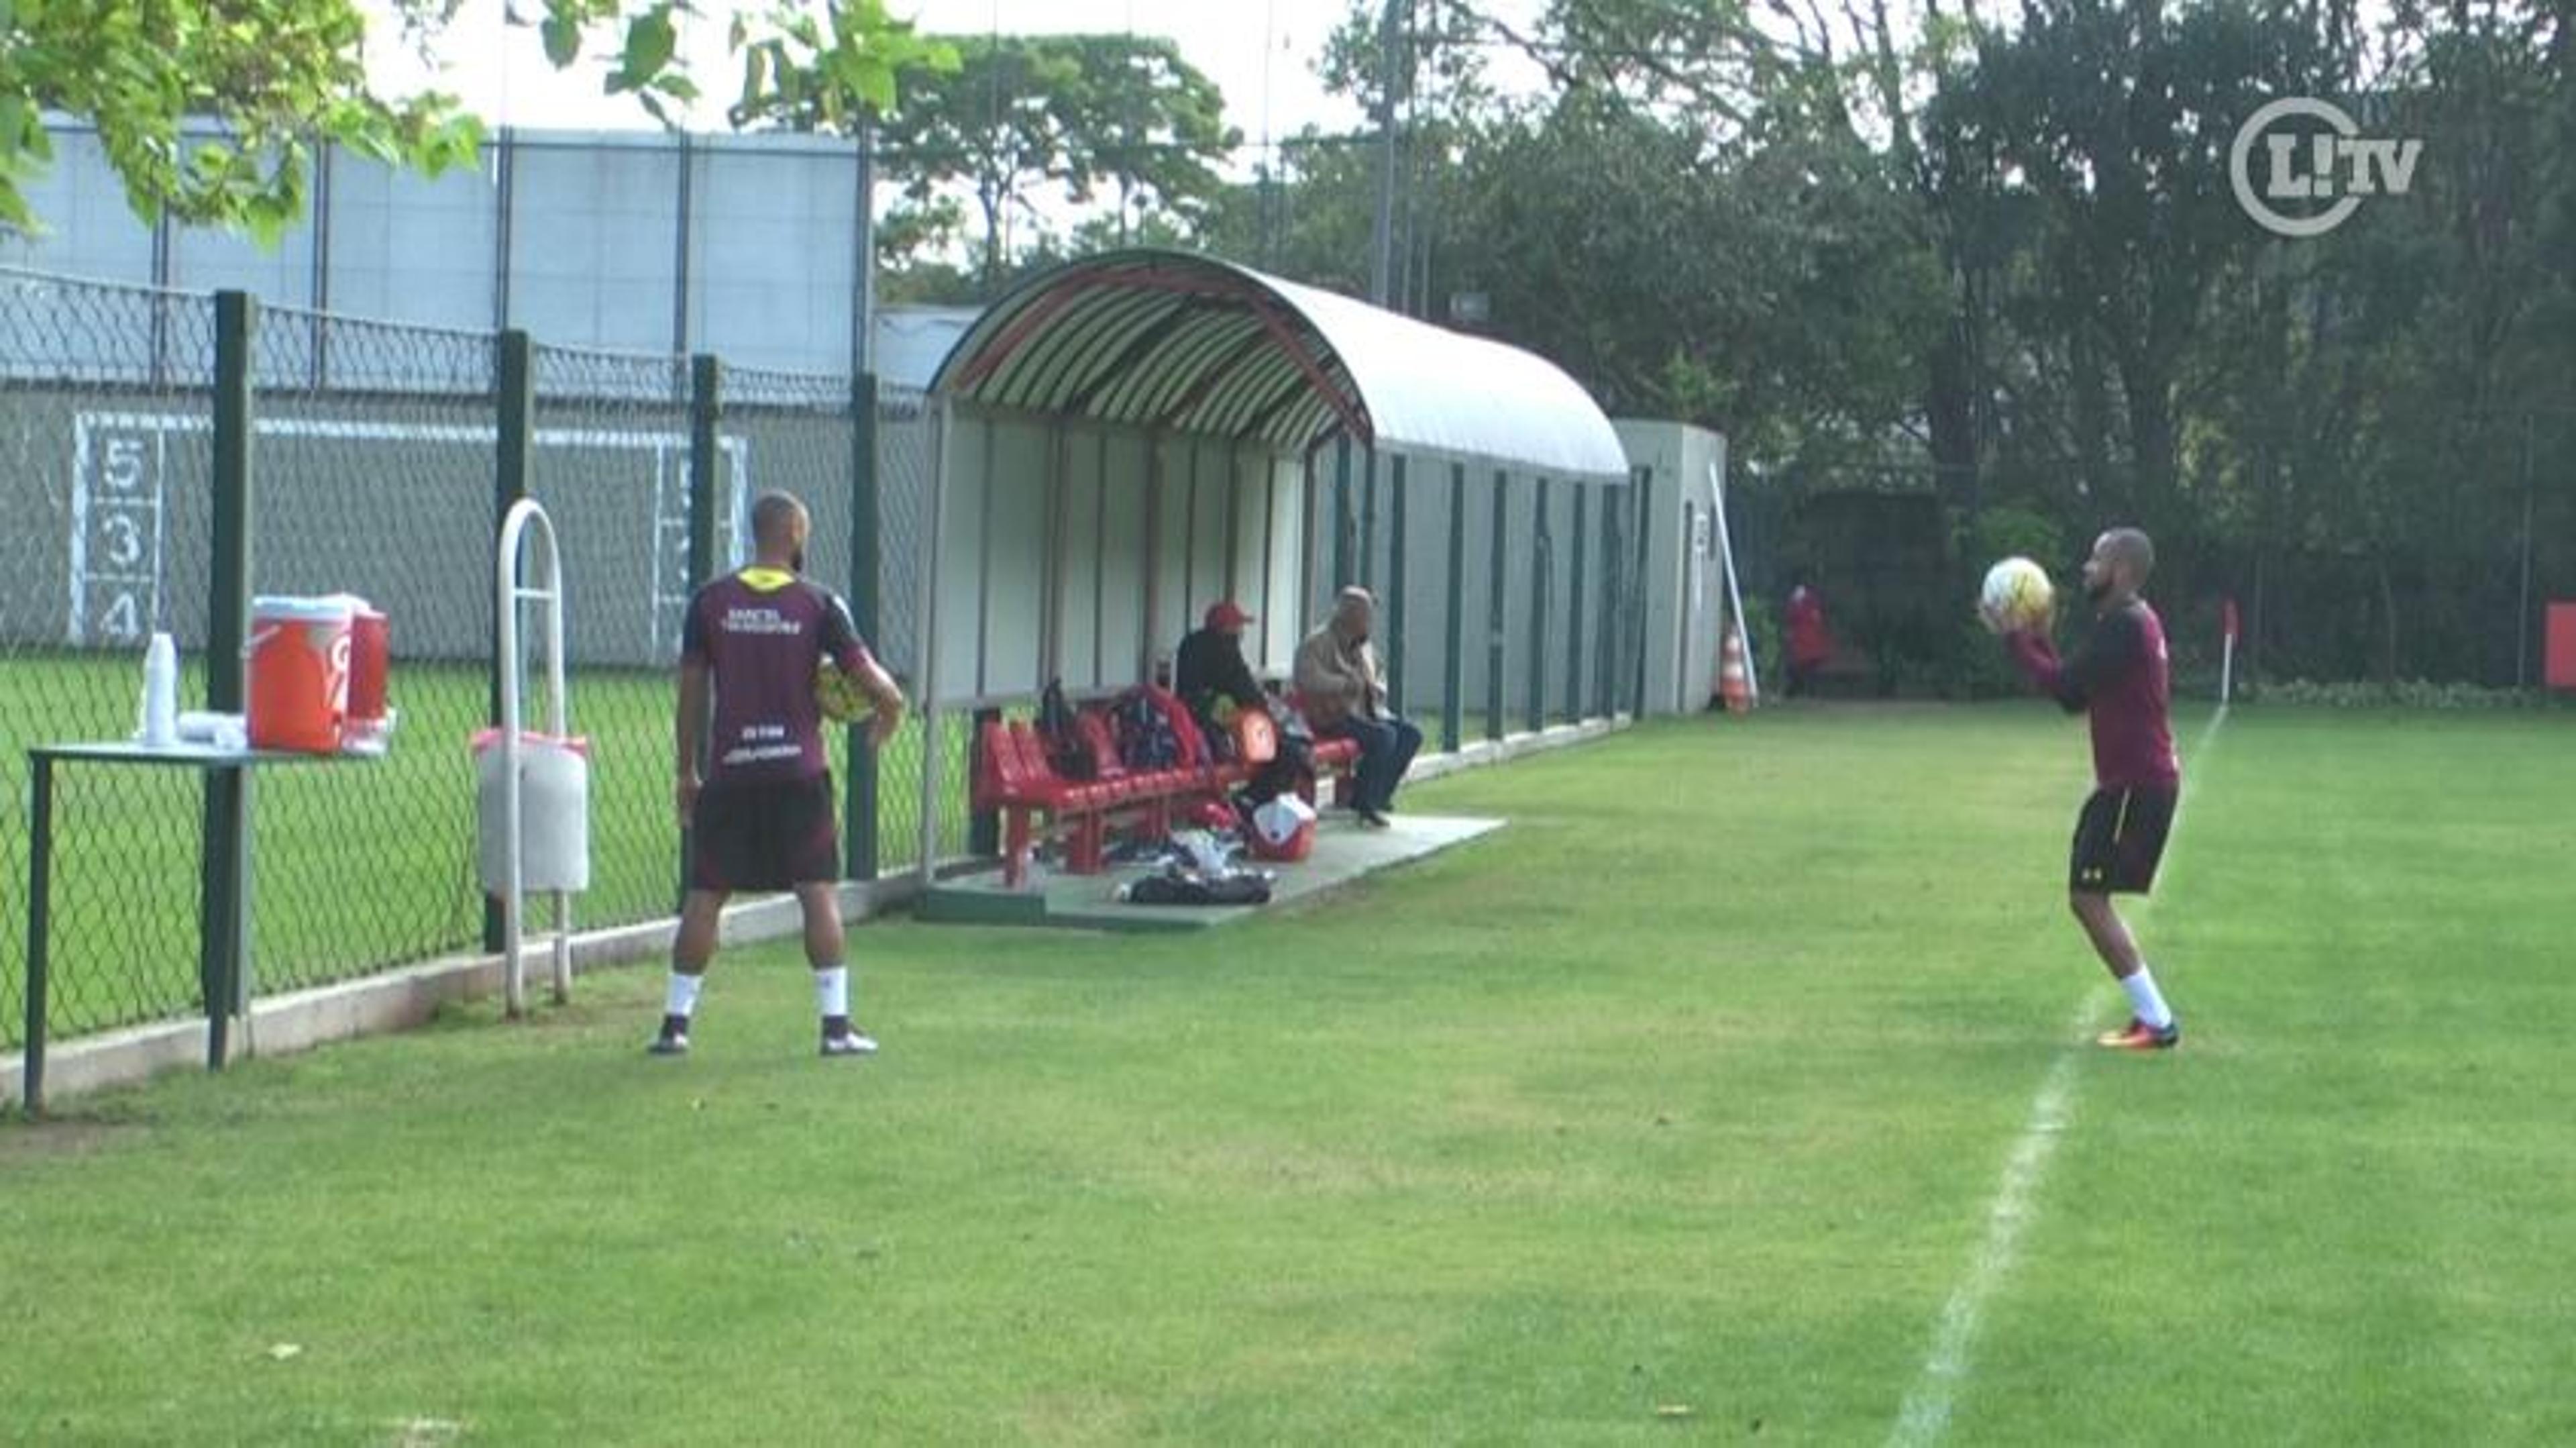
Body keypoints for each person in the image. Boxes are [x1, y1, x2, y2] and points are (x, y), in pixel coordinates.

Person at [658, 490, 906, 1059]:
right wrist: (888, 715)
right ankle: (835, 1029)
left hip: (731, 774)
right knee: (817, 896)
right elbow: (876, 682)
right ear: (795, 531)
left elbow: (691, 691)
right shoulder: (819, 604)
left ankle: (675, 1026)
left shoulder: (710, 602)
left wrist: (685, 771)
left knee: (705, 898)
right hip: (800, 775)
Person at [1989, 527, 2184, 1051]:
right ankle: (2154, 1017)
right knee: (2087, 897)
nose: (2085, 569)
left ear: (2120, 570)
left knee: (2087, 898)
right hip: (2133, 784)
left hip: (2135, 785)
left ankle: (2158, 1021)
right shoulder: (2124, 622)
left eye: (2095, 561)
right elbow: (2076, 694)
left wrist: (2016, 639)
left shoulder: (2125, 625)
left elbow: (2065, 687)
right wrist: (2039, 640)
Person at [1292, 586, 1421, 827]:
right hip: (1331, 717)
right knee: (1384, 738)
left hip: (1364, 712)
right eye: (1366, 614)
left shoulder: (1364, 646)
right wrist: (1344, 684)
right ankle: (1362, 802)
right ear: (1349, 615)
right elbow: (1306, 678)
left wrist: (1377, 688)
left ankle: (1379, 796)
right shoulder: (1317, 643)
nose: (1370, 621)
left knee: (1411, 735)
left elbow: (1378, 677)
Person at [1176, 600, 1265, 729]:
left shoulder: (1192, 642)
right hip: (1212, 719)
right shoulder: (1225, 647)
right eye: (1237, 625)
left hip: (1187, 715)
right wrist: (1262, 705)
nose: (1240, 631)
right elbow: (1241, 683)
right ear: (1225, 627)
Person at [1783, 572, 1834, 697]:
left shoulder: (1799, 601)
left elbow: (1791, 618)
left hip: (1804, 643)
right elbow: (1817, 619)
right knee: (1804, 669)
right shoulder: (1809, 601)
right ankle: (1802, 692)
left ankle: (1797, 692)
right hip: (1806, 643)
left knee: (1801, 668)